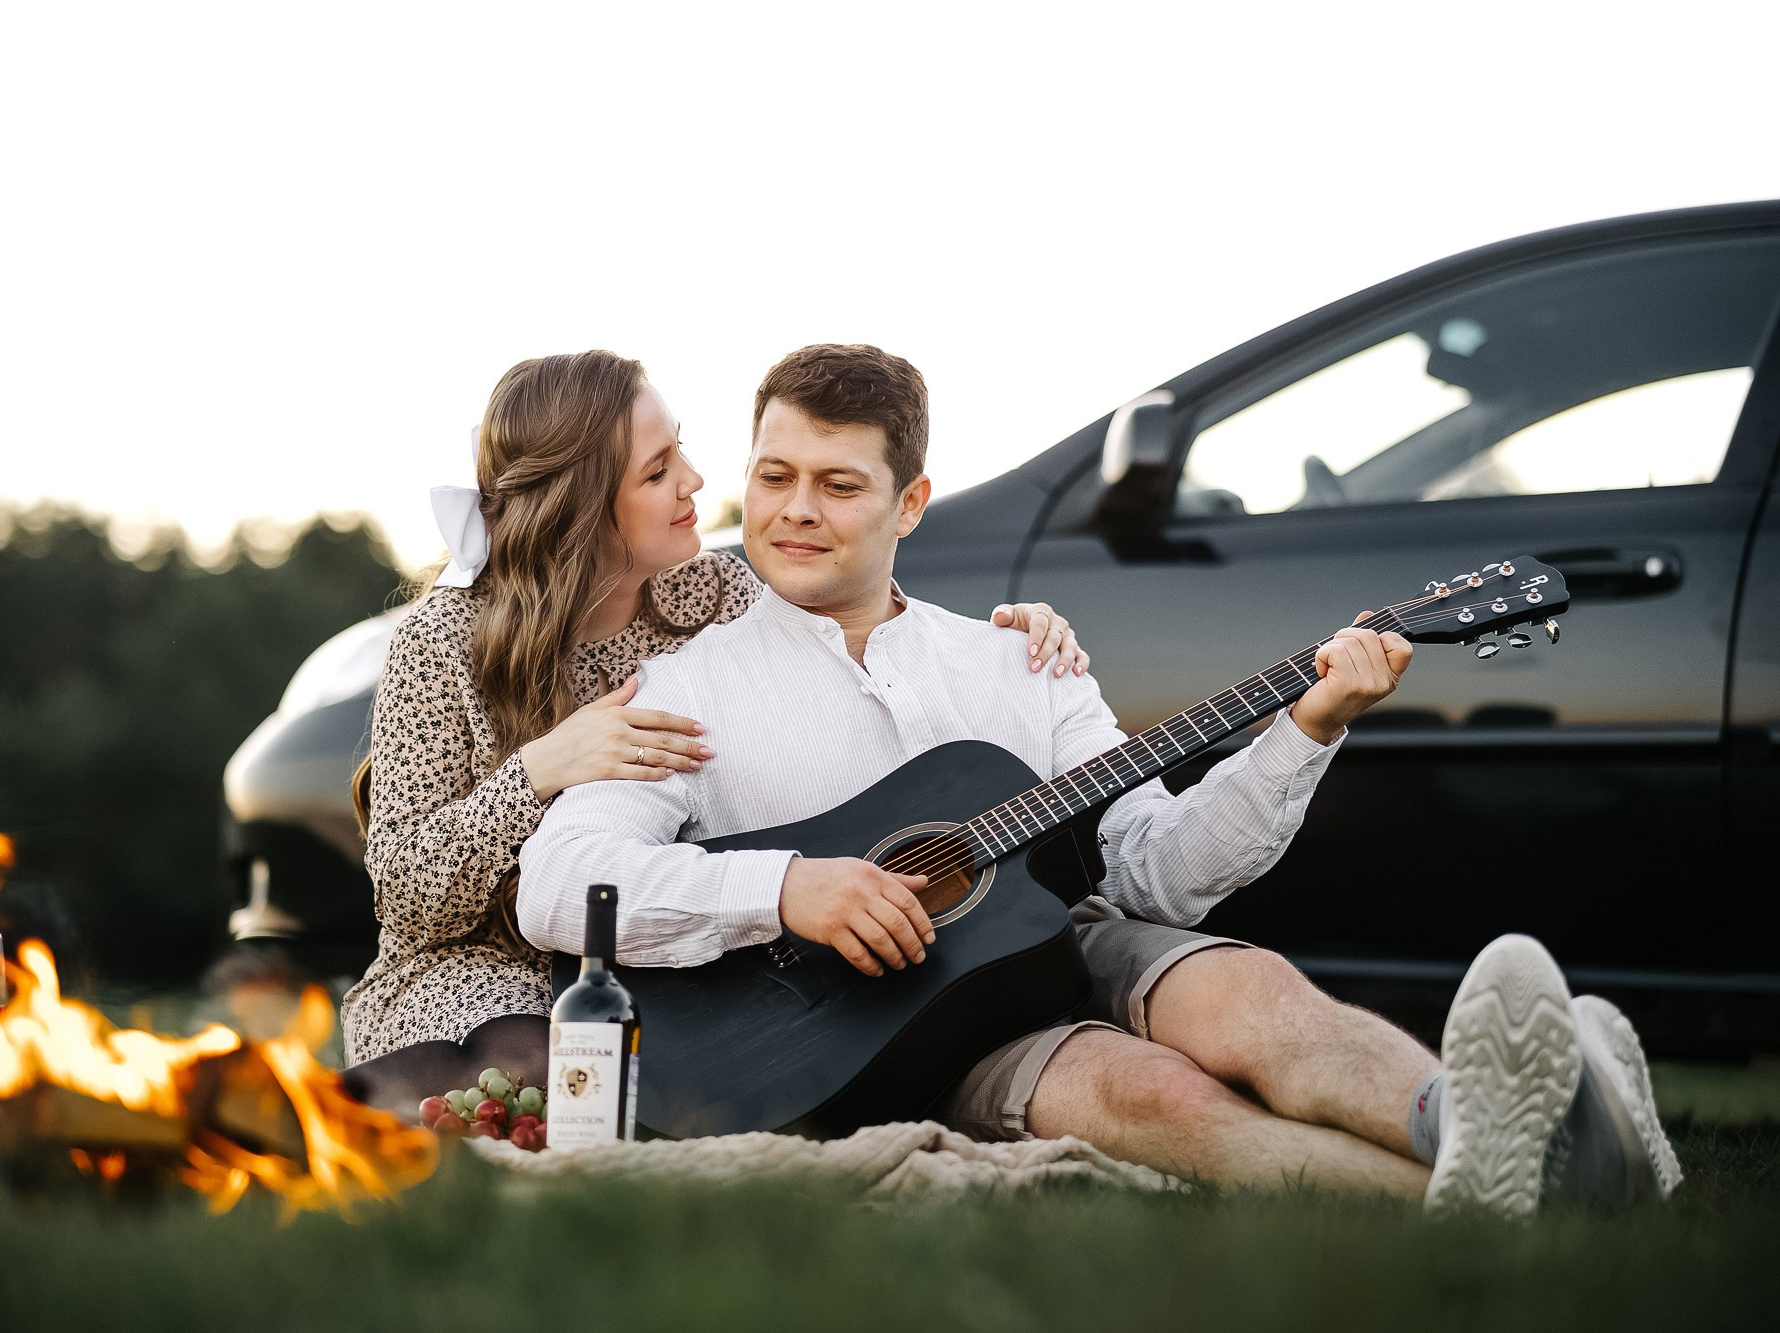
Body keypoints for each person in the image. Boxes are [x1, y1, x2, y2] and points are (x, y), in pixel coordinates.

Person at [517, 343, 1681, 1214]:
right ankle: (1522, 1177)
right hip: (890, 1032)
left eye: (838, 484)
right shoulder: (683, 689)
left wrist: (1308, 726)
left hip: (1067, 937)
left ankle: (1486, 1132)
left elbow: (1158, 875)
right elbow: (557, 883)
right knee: (1155, 1098)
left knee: (1253, 995)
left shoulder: (1019, 659)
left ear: (909, 504)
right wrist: (784, 889)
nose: (794, 511)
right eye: (774, 476)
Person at [338, 349, 1097, 1115]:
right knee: (551, 1067)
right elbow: (405, 891)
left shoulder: (718, 593)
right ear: (584, 505)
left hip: (673, 953)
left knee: (657, 1081)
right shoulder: (443, 640)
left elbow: (854, 619)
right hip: (488, 961)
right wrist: (536, 770)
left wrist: (1016, 643)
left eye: (683, 448)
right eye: (658, 469)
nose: (696, 480)